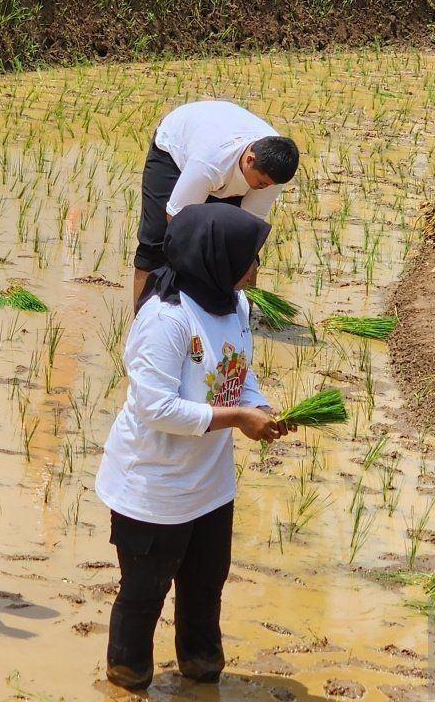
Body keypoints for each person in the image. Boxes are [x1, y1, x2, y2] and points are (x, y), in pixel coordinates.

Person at [97, 204, 294, 691]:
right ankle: (128, 679)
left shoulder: (237, 305)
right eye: (250, 256)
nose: (256, 267)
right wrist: (237, 419)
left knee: (206, 589)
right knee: (144, 594)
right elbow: (156, 409)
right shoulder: (166, 319)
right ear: (215, 256)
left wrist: (259, 408)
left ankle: (203, 674)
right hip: (154, 484)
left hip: (210, 485)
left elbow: (239, 373)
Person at [133, 100, 299, 303]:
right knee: (155, 246)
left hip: (223, 145)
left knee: (241, 259)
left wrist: (244, 263)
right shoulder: (210, 163)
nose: (264, 188)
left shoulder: (272, 172)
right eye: (262, 182)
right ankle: (143, 321)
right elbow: (177, 219)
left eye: (269, 185)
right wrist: (194, 264)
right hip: (174, 150)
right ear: (250, 160)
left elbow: (246, 229)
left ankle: (237, 327)